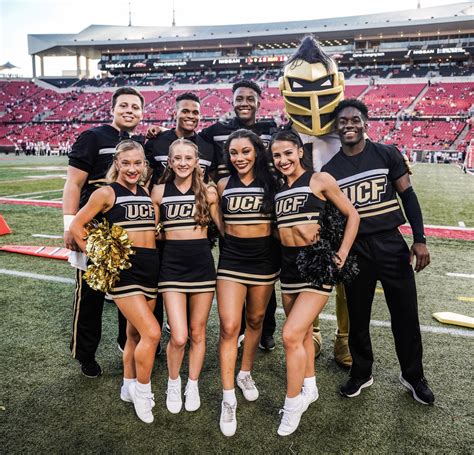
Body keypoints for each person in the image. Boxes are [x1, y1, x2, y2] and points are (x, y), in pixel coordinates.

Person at [321, 99, 435, 405]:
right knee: (358, 316)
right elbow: (331, 220)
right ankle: (361, 372)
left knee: (406, 313)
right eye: (342, 121)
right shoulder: (330, 170)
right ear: (337, 127)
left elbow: (408, 196)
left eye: (354, 119)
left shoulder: (386, 153)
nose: (348, 125)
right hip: (356, 249)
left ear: (364, 123)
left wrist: (420, 239)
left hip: (390, 243)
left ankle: (413, 376)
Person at [270, 130, 359, 436]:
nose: (283, 160)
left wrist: (343, 252)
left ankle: (292, 404)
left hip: (317, 265)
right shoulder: (279, 189)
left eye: (288, 153)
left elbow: (352, 214)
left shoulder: (319, 180)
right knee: (304, 332)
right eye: (277, 155)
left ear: (299, 151)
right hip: (288, 268)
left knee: (290, 335)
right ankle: (310, 387)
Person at [69, 140, 161, 424]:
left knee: (133, 335)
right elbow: (77, 225)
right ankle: (143, 394)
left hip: (150, 271)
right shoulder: (105, 193)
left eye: (138, 163)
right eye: (126, 163)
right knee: (153, 333)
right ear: (116, 164)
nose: (132, 168)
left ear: (144, 165)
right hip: (125, 274)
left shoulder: (145, 192)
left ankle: (127, 385)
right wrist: (97, 255)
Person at [279, 35, 352, 366]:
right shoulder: (287, 137)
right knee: (308, 274)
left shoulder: (346, 131)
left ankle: (344, 339)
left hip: (339, 210)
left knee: (345, 278)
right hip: (305, 216)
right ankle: (315, 333)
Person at [62, 87, 144, 377]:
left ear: (142, 113)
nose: (130, 110)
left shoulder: (140, 142)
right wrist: (69, 224)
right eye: (124, 105)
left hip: (130, 228)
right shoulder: (93, 136)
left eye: (135, 107)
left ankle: (128, 343)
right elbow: (73, 183)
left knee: (131, 289)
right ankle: (86, 354)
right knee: (91, 294)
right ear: (113, 108)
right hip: (95, 229)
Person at [151, 138, 224, 414]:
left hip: (202, 267)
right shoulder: (158, 192)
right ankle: (173, 381)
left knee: (197, 332)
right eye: (177, 158)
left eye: (188, 158)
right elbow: (152, 233)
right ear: (170, 162)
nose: (183, 163)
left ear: (197, 163)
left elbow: (223, 227)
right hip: (171, 268)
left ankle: (191, 383)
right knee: (179, 336)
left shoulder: (208, 192)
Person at [216, 129, 279, 437]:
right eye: (233, 153)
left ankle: (245, 373)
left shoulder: (272, 183)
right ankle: (228, 398)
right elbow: (220, 226)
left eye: (245, 151)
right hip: (231, 261)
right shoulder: (222, 184)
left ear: (257, 152)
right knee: (229, 327)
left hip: (264, 262)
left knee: (255, 320)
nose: (239, 158)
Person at [145, 92, 215, 185]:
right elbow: (143, 180)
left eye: (195, 112)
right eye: (185, 111)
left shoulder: (208, 147)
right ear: (175, 114)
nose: (190, 116)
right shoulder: (156, 142)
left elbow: (212, 182)